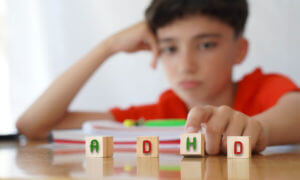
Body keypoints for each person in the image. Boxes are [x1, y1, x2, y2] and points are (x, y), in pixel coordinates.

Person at [16, 0, 300, 155]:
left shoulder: (265, 87)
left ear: (240, 50)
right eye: (170, 48)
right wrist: (108, 46)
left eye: (205, 45)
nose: (185, 66)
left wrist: (256, 129)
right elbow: (34, 126)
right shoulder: (159, 115)